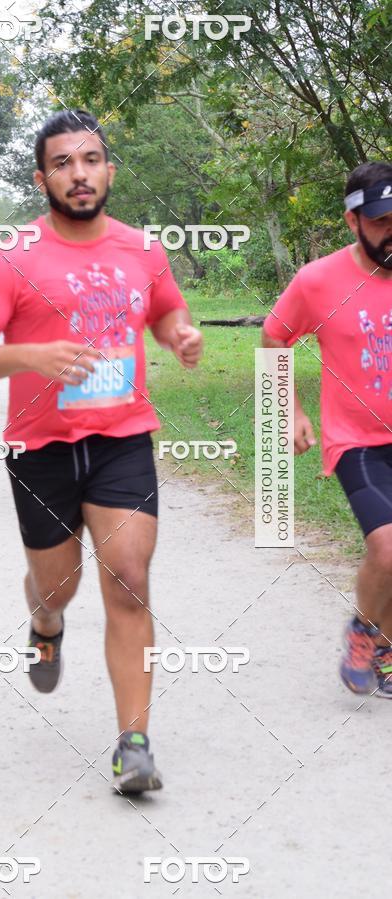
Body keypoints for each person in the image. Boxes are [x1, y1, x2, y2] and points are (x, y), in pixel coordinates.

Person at [0, 109, 203, 792]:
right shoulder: (13, 257)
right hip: (42, 448)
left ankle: (134, 743)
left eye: (89, 159)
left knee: (129, 577)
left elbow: (165, 306)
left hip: (121, 438)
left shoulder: (141, 249)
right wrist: (34, 354)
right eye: (63, 163)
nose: (79, 173)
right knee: (60, 585)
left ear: (108, 169)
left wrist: (179, 333)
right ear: (42, 178)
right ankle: (44, 621)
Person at [262, 160, 392, 698]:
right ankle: (365, 633)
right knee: (388, 549)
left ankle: (383, 642)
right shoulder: (318, 281)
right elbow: (274, 342)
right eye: (382, 220)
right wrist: (290, 411)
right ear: (352, 221)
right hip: (356, 440)